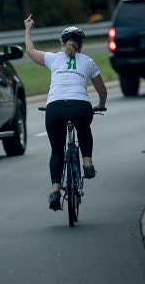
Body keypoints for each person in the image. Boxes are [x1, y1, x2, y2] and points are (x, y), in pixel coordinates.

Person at [24, 14, 108, 211]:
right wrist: (100, 104)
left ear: (62, 43)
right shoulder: (88, 61)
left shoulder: (53, 58)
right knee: (84, 128)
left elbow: (29, 51)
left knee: (56, 150)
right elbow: (101, 90)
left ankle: (55, 190)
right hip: (81, 106)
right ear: (81, 45)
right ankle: (87, 163)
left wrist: (28, 30)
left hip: (55, 108)